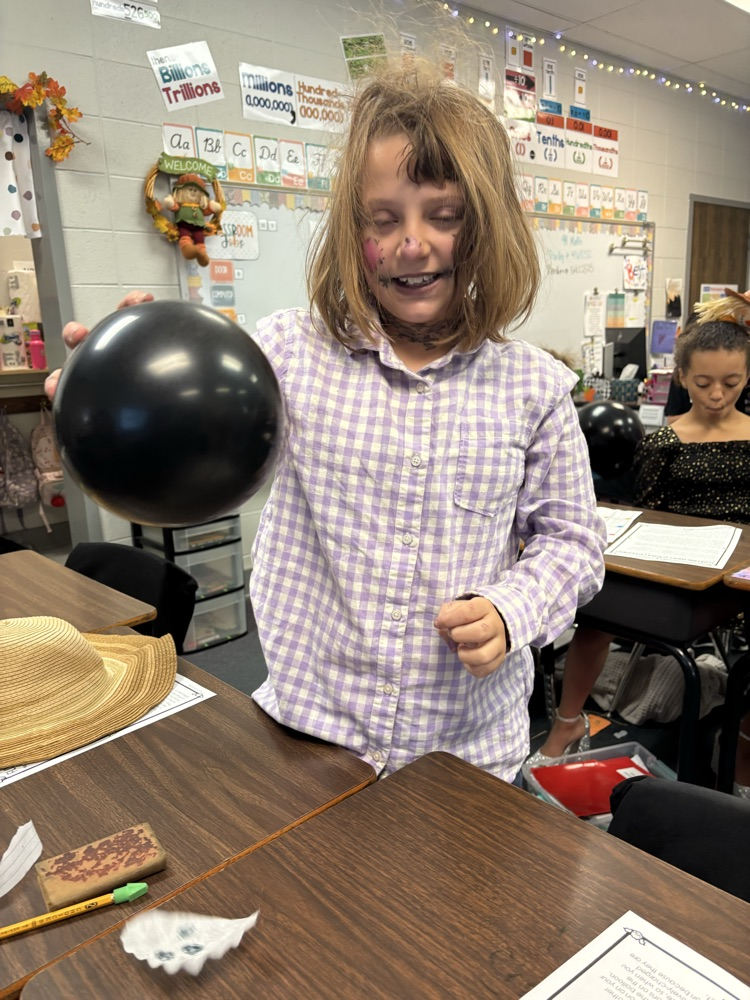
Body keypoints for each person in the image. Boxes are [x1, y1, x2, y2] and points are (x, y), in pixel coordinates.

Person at [48, 59, 606, 783]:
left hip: (465, 756)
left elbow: (574, 544)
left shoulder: (533, 387)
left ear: (486, 228)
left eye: (445, 215)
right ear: (353, 229)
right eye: (385, 219)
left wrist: (511, 608)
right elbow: (196, 416)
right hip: (306, 733)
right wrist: (124, 392)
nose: (413, 242)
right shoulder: (286, 353)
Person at [531, 319, 750, 796]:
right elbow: (644, 511)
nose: (717, 394)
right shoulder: (663, 443)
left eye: (731, 383)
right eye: (705, 382)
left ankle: (740, 764)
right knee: (598, 613)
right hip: (674, 571)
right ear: (683, 377)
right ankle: (567, 723)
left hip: (737, 577)